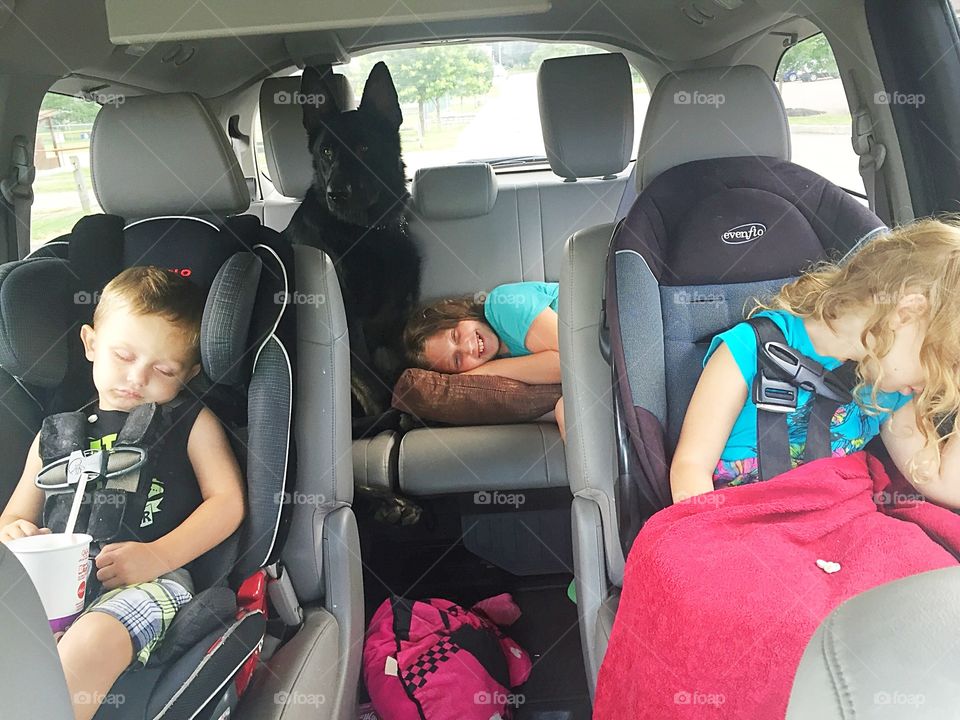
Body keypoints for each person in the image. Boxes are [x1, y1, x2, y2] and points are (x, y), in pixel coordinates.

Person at [0, 266, 245, 720]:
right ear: (91, 344)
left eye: (163, 369)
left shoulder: (190, 422)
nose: (137, 377)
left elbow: (227, 503)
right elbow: (12, 517)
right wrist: (15, 532)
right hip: (51, 588)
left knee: (92, 639)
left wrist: (158, 557)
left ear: (188, 374)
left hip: (152, 583)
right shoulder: (54, 437)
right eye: (123, 355)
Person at [670, 217, 960, 508]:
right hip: (741, 519)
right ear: (907, 312)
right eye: (944, 360)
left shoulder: (890, 390)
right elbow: (691, 468)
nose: (940, 381)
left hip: (835, 526)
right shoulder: (751, 348)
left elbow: (944, 483)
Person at [403, 281, 566, 440]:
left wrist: (490, 369)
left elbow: (568, 363)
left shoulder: (502, 304)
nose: (468, 348)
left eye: (455, 335)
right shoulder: (506, 357)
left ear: (459, 315)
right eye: (457, 360)